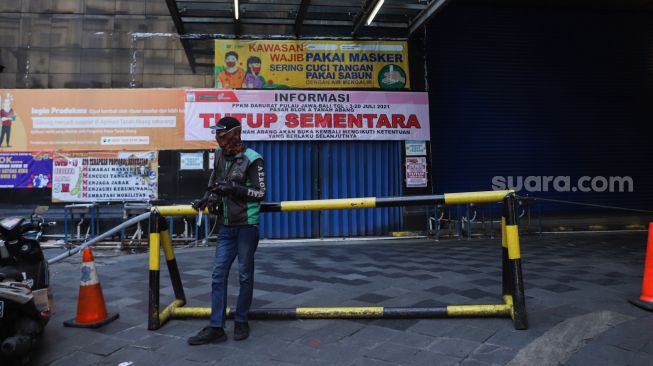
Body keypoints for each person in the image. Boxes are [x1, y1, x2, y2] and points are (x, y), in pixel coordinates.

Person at [188, 116, 266, 345]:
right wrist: (205, 199)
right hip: (226, 226)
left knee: (244, 275)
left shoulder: (253, 159)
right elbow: (214, 184)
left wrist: (234, 189)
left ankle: (241, 321)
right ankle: (216, 327)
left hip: (246, 226)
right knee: (217, 275)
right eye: (216, 134)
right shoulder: (219, 155)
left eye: (221, 134)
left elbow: (261, 194)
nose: (217, 138)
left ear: (234, 134)